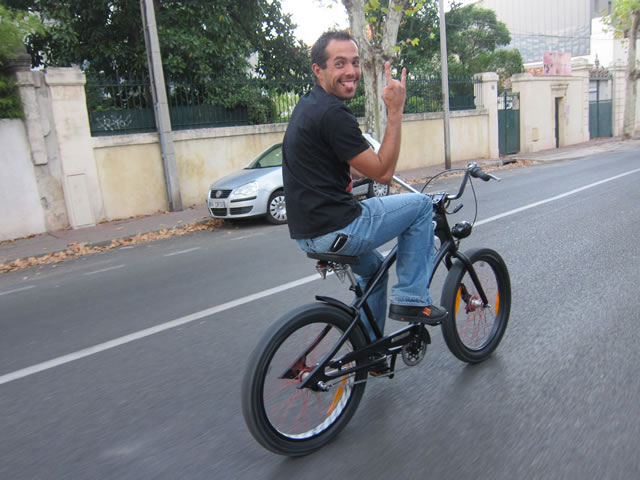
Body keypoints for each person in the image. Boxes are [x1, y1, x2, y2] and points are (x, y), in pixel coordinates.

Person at [282, 30, 447, 347]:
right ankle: (412, 298)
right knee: (421, 206)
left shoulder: (309, 105)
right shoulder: (333, 114)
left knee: (373, 271)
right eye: (339, 63)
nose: (351, 71)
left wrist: (359, 170)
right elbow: (384, 173)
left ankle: (368, 349)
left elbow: (347, 163)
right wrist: (395, 110)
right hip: (339, 227)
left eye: (355, 62)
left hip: (308, 233)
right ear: (319, 70)